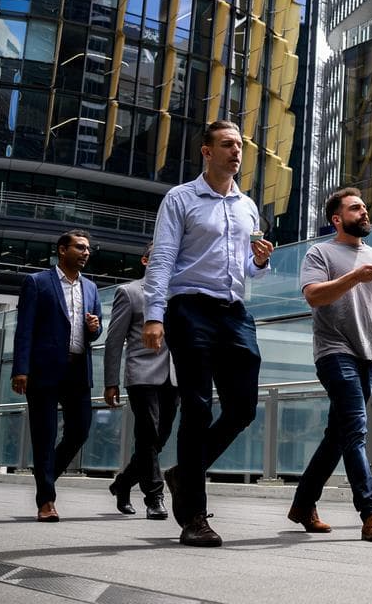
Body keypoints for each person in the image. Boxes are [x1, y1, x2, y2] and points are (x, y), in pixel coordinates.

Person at [143, 120, 275, 547]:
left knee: (243, 408)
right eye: (227, 145)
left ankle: (183, 473)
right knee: (197, 408)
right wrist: (154, 315)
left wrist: (260, 260)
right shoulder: (181, 198)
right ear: (206, 151)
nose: (236, 152)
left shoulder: (248, 206)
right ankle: (193, 516)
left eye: (239, 145)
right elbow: (162, 258)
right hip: (189, 308)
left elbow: (252, 266)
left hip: (234, 311)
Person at [288, 187, 372, 542]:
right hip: (334, 352)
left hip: (367, 354)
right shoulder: (319, 252)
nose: (364, 213)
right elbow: (313, 295)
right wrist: (354, 277)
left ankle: (303, 503)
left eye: (365, 208)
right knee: (355, 429)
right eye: (355, 208)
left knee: (337, 437)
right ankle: (371, 514)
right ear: (337, 219)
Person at [13, 230, 103, 522]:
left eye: (88, 248)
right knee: (44, 434)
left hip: (78, 369)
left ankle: (46, 475)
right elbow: (24, 328)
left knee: (80, 430)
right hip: (43, 370)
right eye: (80, 247)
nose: (86, 252)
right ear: (62, 250)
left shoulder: (91, 287)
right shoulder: (37, 283)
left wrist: (94, 328)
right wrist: (21, 369)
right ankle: (46, 501)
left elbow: (96, 332)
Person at [104, 242, 179, 520]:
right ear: (146, 262)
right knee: (147, 435)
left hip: (173, 375)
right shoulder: (130, 292)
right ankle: (155, 497)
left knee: (160, 437)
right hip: (142, 374)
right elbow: (114, 340)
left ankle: (122, 483)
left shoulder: (180, 293)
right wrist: (111, 380)